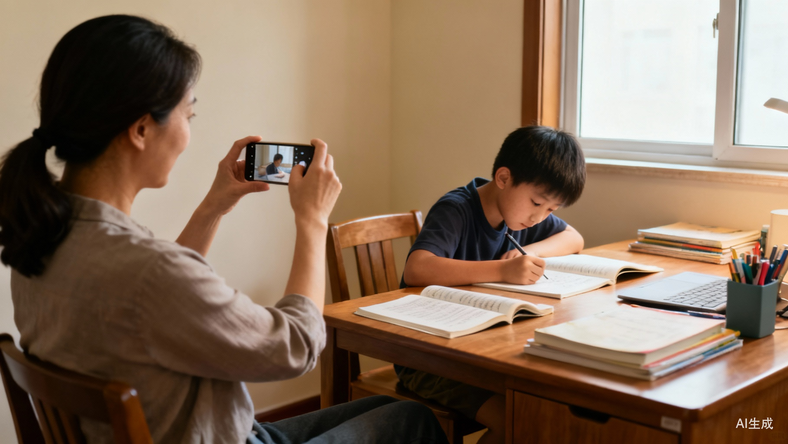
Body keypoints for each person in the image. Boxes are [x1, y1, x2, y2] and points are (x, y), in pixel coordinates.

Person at [0, 15, 448, 444]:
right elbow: (296, 346)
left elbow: (156, 298)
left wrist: (214, 206)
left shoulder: (41, 239)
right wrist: (311, 221)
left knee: (393, 410)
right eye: (188, 115)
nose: (187, 134)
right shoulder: (149, 273)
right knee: (414, 421)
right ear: (141, 129)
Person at [398, 125, 587, 444]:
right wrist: (502, 271)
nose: (539, 218)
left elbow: (574, 238)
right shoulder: (456, 209)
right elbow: (417, 268)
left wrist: (532, 252)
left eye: (551, 210)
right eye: (536, 203)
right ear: (503, 178)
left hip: (478, 352)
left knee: (545, 404)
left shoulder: (519, 216)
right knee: (517, 420)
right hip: (428, 359)